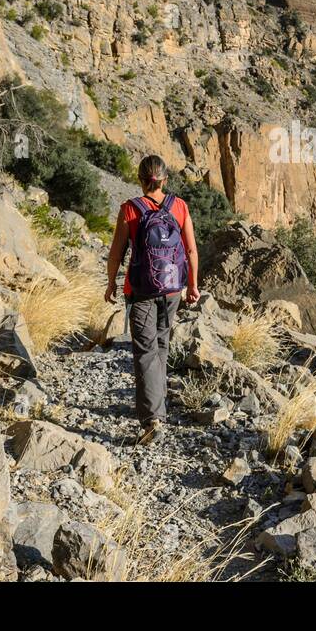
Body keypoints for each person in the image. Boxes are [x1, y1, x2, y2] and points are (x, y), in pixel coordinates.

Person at [104, 155, 199, 445]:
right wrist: (192, 286)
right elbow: (192, 251)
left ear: (140, 179)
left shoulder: (130, 209)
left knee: (145, 351)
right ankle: (158, 403)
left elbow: (116, 252)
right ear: (164, 180)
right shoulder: (180, 207)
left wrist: (111, 283)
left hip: (142, 290)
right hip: (172, 289)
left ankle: (153, 418)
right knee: (161, 345)